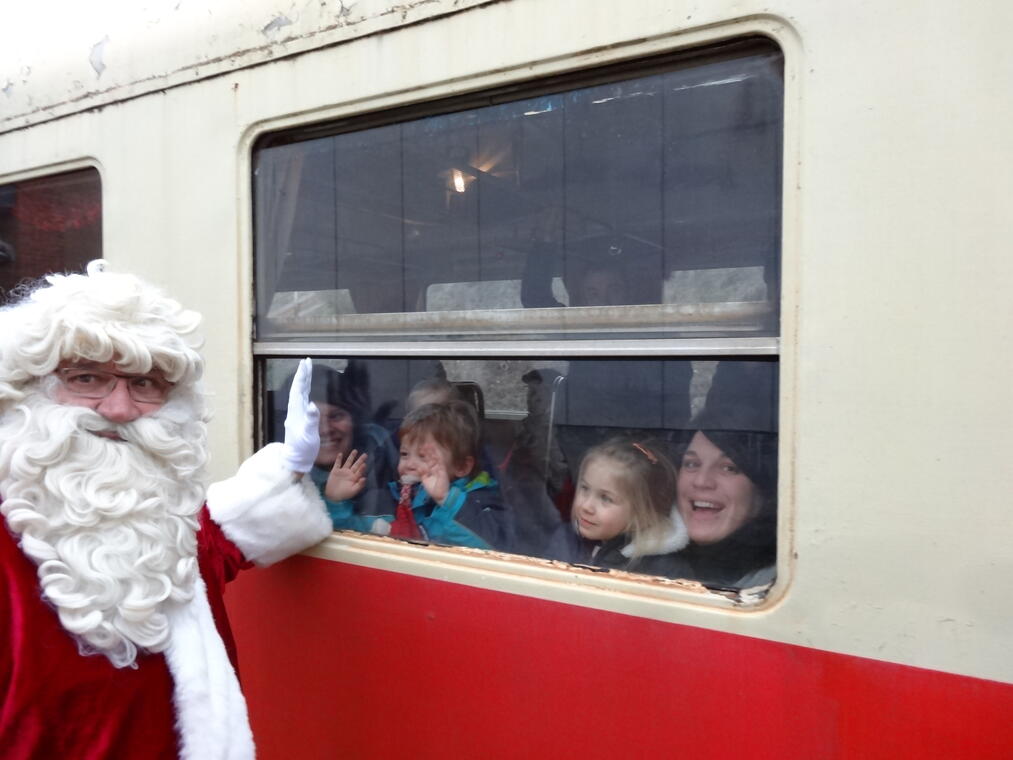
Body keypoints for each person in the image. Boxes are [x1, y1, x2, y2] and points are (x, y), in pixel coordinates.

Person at [0, 261, 331, 759]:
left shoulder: (160, 522)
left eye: (145, 385)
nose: (118, 409)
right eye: (87, 378)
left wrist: (291, 467)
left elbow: (213, 542)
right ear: (29, 390)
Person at [355, 400, 513, 550]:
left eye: (424, 457)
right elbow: (353, 537)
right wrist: (337, 503)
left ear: (461, 466)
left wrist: (447, 500)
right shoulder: (397, 496)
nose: (409, 464)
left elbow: (492, 550)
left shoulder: (482, 502)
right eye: (404, 454)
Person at [661, 410, 778, 588]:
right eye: (691, 464)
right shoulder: (634, 556)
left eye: (729, 468)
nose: (701, 481)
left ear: (762, 490)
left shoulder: (777, 585)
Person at [543, 438, 688, 574]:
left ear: (643, 513)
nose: (586, 506)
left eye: (605, 498)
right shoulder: (564, 541)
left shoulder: (658, 571)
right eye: (585, 488)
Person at [286, 362, 398, 532]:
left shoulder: (389, 468)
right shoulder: (278, 478)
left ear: (354, 420)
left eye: (336, 416)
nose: (325, 429)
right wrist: (334, 501)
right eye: (312, 419)